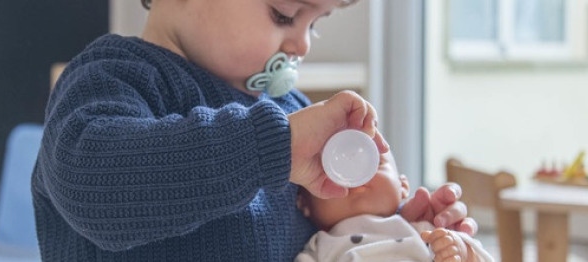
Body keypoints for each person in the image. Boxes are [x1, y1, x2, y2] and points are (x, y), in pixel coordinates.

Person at [32, 0, 478, 260]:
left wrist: (394, 231)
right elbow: (94, 186)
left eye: (315, 23)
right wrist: (274, 147)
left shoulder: (290, 111)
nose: (302, 44)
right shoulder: (112, 77)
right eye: (284, 14)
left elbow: (322, 230)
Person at [296, 153, 492, 262]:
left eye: (372, 161)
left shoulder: (423, 231)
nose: (356, 175)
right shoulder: (318, 248)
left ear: (402, 186)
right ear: (303, 202)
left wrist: (461, 251)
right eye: (332, 168)